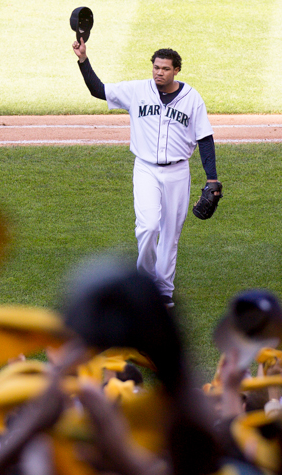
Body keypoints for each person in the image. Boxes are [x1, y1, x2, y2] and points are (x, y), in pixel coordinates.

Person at [72, 39, 221, 307]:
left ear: (176, 70)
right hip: (146, 170)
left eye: (165, 68)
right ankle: (144, 283)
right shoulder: (137, 91)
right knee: (149, 226)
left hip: (178, 172)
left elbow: (205, 139)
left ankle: (163, 291)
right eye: (156, 67)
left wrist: (212, 178)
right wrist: (83, 59)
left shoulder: (192, 99)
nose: (159, 72)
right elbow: (99, 90)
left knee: (171, 234)